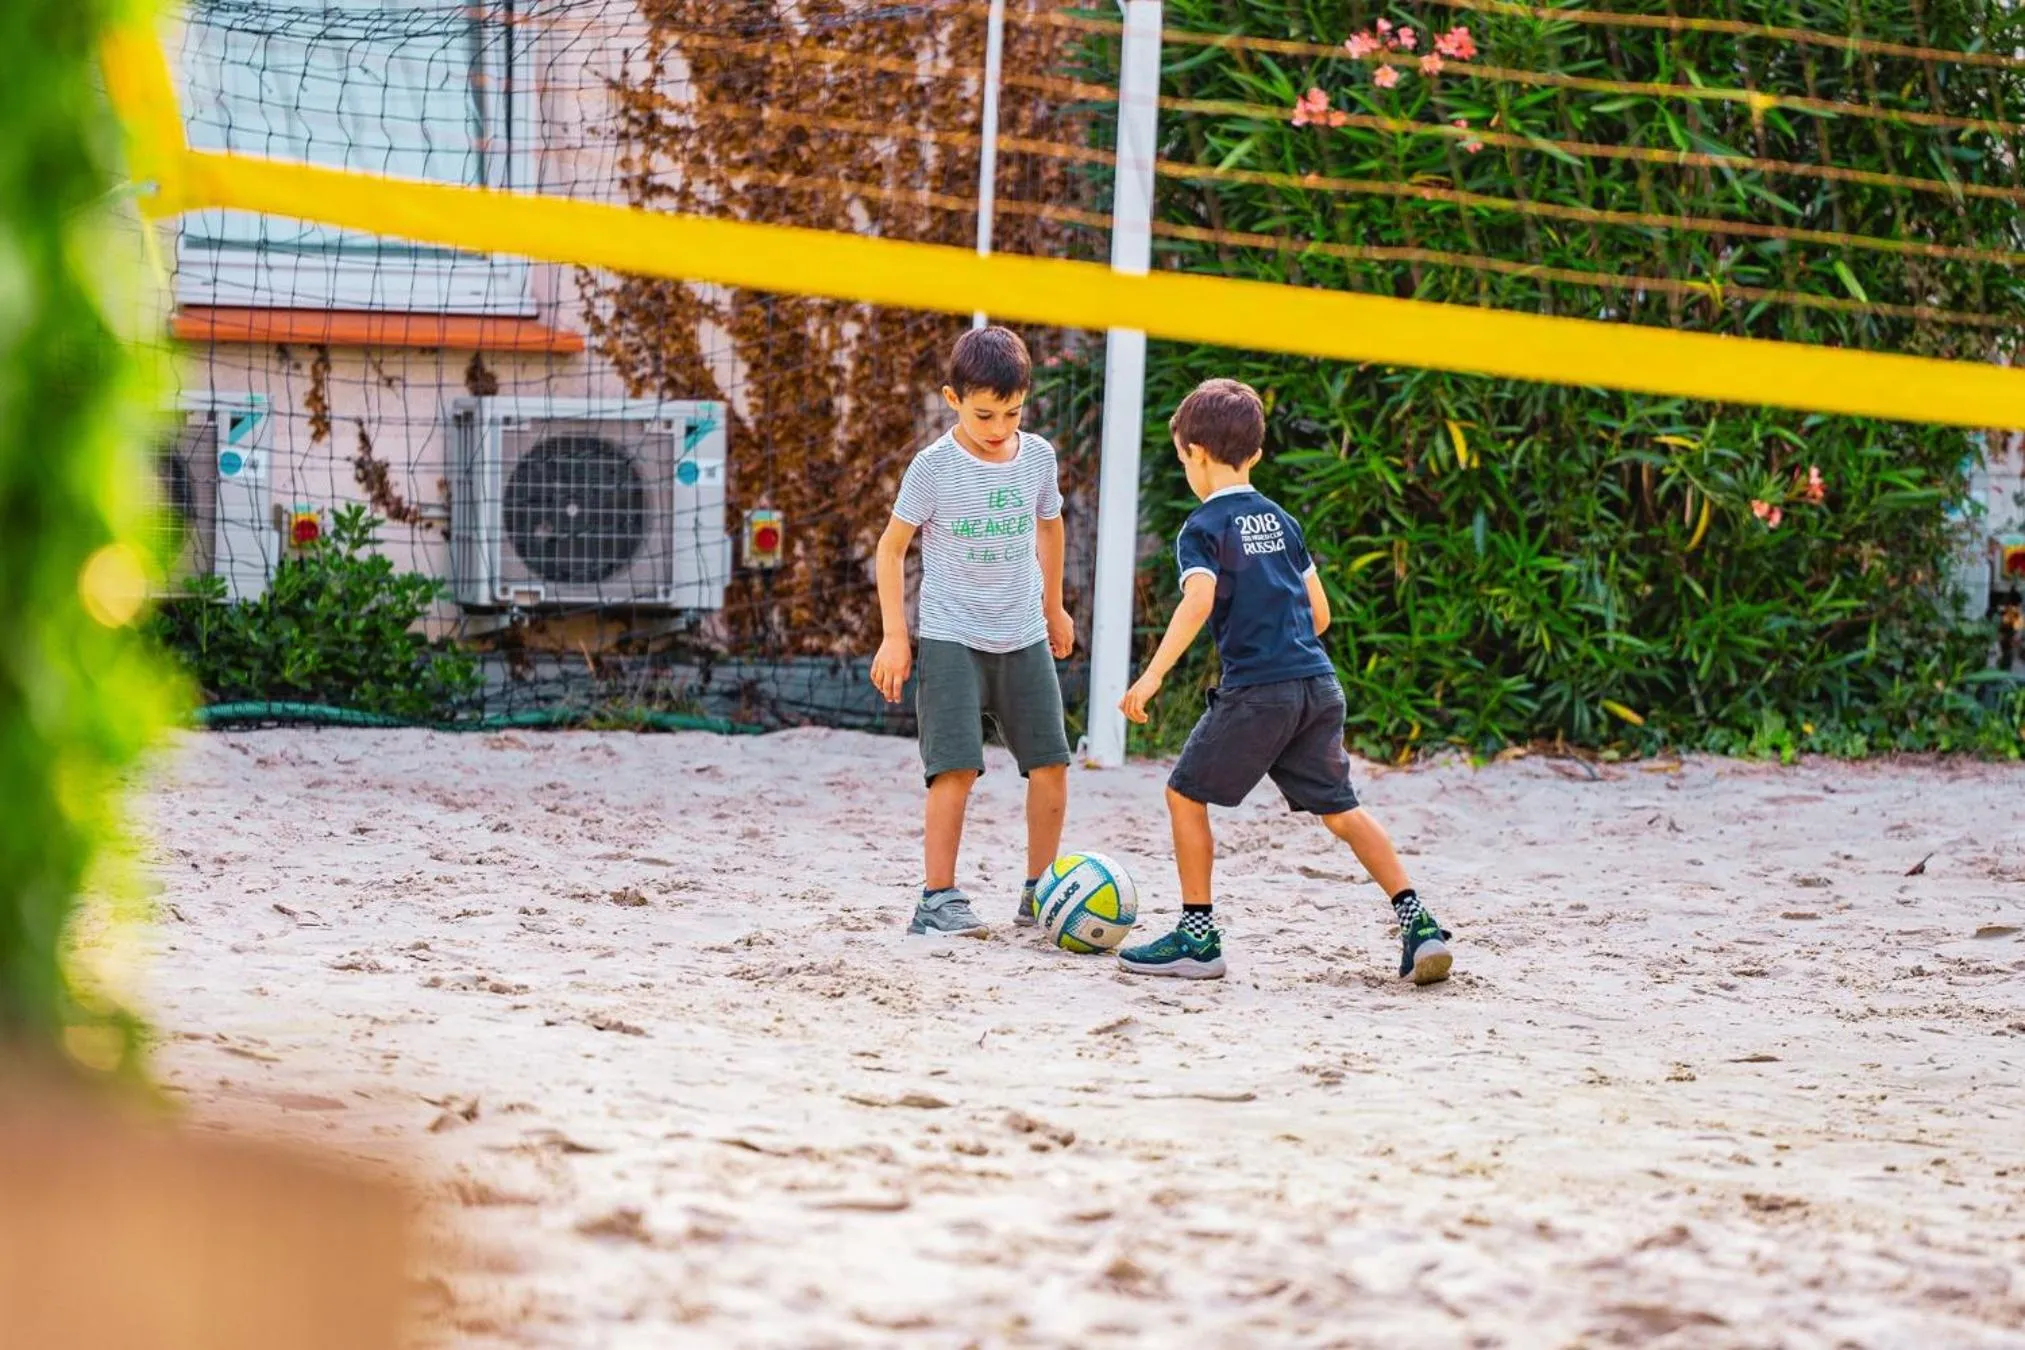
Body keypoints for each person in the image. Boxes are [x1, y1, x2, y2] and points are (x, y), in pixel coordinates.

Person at [1116, 377, 1455, 984]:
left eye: (1181, 458)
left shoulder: (1202, 527)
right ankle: (1418, 921)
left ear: (1192, 452)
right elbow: (1319, 615)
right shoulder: (1282, 520)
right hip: (1318, 685)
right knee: (1344, 812)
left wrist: (1151, 676)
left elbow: (1199, 598)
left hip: (1259, 691)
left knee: (1184, 795)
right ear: (1257, 455)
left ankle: (1198, 937)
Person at [870, 327, 1076, 935]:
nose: (998, 426)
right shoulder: (933, 468)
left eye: (1012, 413)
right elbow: (891, 551)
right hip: (950, 634)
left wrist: (1055, 607)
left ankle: (1039, 893)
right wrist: (894, 636)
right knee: (955, 768)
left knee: (1051, 764)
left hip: (1023, 632)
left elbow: (1051, 528)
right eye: (985, 413)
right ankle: (937, 900)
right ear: (952, 398)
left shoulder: (1037, 457)